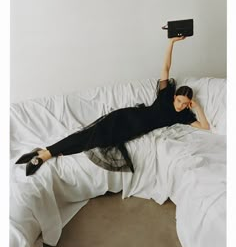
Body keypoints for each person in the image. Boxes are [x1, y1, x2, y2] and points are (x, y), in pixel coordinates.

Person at [15, 36, 210, 176]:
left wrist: (197, 107)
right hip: (125, 117)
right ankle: (44, 156)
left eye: (185, 104)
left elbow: (205, 127)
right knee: (87, 135)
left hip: (132, 130)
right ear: (174, 96)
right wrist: (171, 43)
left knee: (90, 141)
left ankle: (42, 153)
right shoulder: (166, 95)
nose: (181, 105)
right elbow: (165, 68)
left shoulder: (184, 116)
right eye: (179, 101)